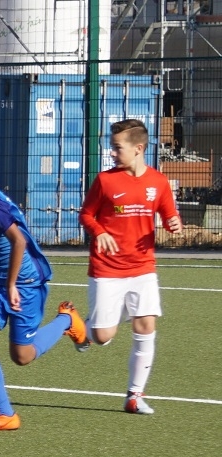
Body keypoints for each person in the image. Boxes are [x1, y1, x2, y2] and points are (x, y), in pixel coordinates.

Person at [0, 144, 89, 431]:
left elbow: (19, 241)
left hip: (24, 283)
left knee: (22, 356)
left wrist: (12, 283)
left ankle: (67, 320)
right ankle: (6, 414)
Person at [78, 119, 182, 415]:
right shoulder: (105, 180)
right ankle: (78, 326)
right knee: (103, 337)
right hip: (107, 268)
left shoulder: (158, 182)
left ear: (138, 148)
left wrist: (174, 224)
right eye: (112, 147)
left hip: (143, 267)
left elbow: (170, 216)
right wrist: (100, 232)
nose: (112, 153)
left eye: (117, 147)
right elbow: (86, 215)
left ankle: (134, 396)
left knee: (146, 324)